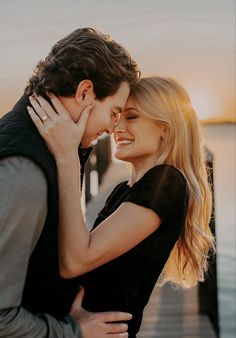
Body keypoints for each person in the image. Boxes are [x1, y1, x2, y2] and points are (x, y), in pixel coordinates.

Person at [27, 76, 215, 337]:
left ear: (166, 128)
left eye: (132, 117)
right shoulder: (123, 190)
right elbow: (79, 254)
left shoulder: (166, 183)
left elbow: (75, 260)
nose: (118, 127)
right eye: (117, 117)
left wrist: (68, 156)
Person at [0, 27, 140, 337]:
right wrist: (73, 332)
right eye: (114, 113)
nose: (112, 128)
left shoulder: (50, 146)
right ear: (84, 92)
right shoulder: (24, 172)